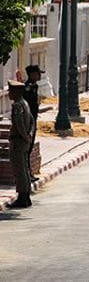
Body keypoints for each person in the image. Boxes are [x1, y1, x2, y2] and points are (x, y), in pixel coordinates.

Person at [8, 80, 34, 208]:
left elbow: (19, 124)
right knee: (24, 168)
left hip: (18, 141)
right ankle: (26, 195)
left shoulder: (17, 105)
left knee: (19, 170)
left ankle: (23, 196)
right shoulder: (25, 104)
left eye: (11, 91)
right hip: (23, 141)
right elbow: (31, 121)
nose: (9, 93)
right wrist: (29, 136)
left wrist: (25, 136)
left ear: (17, 92)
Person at [22, 64, 41, 182]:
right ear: (32, 74)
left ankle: (28, 173)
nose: (39, 76)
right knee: (26, 149)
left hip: (33, 120)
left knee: (29, 148)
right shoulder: (27, 87)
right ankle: (26, 174)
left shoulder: (34, 86)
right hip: (28, 121)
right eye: (38, 73)